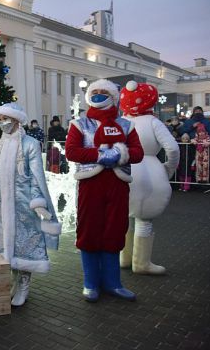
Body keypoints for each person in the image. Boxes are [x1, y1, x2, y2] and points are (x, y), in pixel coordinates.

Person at [65, 79, 144, 302]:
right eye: (95, 92)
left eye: (104, 92)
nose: (99, 95)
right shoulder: (79, 123)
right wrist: (100, 155)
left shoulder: (127, 125)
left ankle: (113, 283)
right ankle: (90, 282)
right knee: (89, 229)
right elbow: (71, 152)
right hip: (91, 184)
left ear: (114, 97)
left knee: (115, 229)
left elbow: (138, 152)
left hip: (117, 184)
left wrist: (121, 154)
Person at [0, 102, 61, 306]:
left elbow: (35, 177)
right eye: (1, 120)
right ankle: (13, 282)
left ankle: (24, 286)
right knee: (6, 246)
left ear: (16, 120)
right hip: (1, 206)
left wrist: (38, 202)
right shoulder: (1, 145)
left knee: (24, 246)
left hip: (23, 206)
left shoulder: (30, 143)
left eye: (6, 119)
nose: (3, 123)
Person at [118, 81, 180, 275]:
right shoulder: (153, 122)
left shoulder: (121, 121)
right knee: (144, 219)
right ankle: (141, 263)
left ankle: (124, 258)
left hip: (124, 171)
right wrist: (168, 170)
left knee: (126, 217)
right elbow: (173, 148)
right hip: (150, 172)